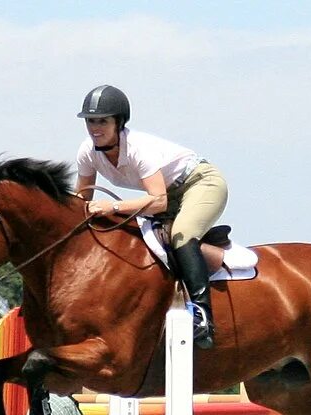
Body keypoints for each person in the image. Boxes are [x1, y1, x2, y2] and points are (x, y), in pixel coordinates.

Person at [74, 84, 228, 349]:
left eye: (102, 121)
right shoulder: (87, 152)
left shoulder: (137, 149)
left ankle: (202, 317)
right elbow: (81, 201)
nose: (95, 128)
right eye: (90, 121)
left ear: (118, 121)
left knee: (181, 235)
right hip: (166, 194)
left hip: (199, 183)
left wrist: (111, 208)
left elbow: (158, 202)